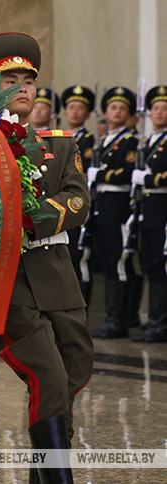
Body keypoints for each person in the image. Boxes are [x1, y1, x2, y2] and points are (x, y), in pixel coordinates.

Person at [0, 33, 93, 484]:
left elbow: (78, 200)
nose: (22, 87)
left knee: (75, 367)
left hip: (57, 276)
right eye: (10, 78)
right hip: (8, 279)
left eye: (28, 79)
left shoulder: (59, 145)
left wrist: (27, 216)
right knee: (48, 375)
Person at [87, 87, 141, 338]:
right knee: (108, 265)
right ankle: (111, 317)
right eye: (112, 107)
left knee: (119, 264)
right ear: (105, 112)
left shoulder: (131, 141)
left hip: (117, 208)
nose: (117, 112)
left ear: (129, 114)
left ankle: (118, 320)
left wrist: (101, 175)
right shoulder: (105, 141)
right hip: (101, 209)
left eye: (122, 108)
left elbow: (129, 173)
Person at [131, 86, 167, 342]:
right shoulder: (148, 141)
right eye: (155, 108)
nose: (159, 113)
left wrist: (150, 178)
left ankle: (160, 324)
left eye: (165, 109)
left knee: (161, 267)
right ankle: (155, 321)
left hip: (163, 209)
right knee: (151, 266)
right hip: (148, 210)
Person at [62, 85, 97, 304]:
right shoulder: (63, 139)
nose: (74, 112)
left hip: (79, 202)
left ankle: (79, 306)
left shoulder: (89, 142)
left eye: (80, 108)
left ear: (88, 113)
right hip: (64, 202)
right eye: (71, 107)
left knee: (78, 258)